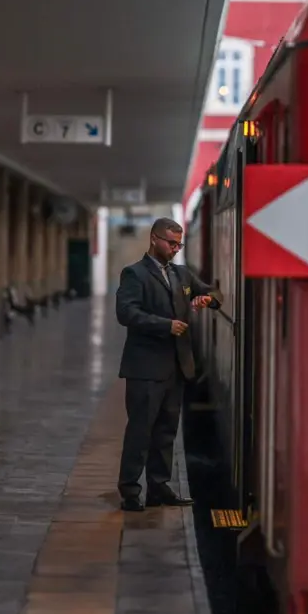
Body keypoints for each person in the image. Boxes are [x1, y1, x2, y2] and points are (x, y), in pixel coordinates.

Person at [115, 217, 221, 512]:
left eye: (179, 244)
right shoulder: (134, 274)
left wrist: (207, 301)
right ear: (154, 239)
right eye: (171, 243)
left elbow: (214, 292)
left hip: (176, 367)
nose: (175, 249)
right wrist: (165, 325)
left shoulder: (182, 275)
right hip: (145, 369)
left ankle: (159, 488)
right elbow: (126, 313)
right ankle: (130, 492)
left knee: (165, 432)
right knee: (140, 431)